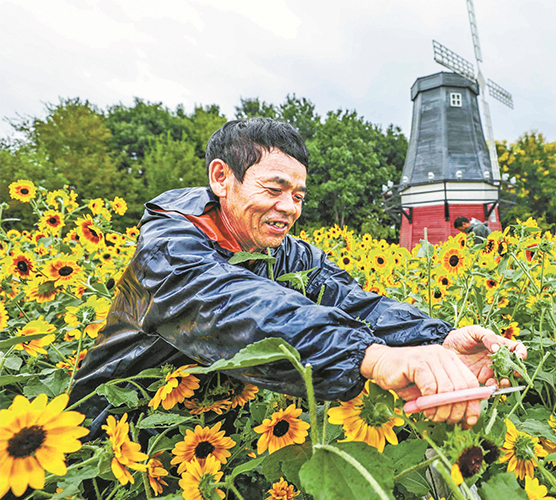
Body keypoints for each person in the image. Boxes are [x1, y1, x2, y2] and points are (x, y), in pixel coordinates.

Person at [70, 118, 525, 437]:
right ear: (221, 177)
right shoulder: (170, 247)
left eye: (299, 196)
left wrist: (442, 337)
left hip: (207, 432)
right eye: (274, 189)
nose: (289, 208)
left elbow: (351, 299)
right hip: (108, 436)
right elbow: (231, 306)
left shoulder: (282, 250)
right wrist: (370, 355)